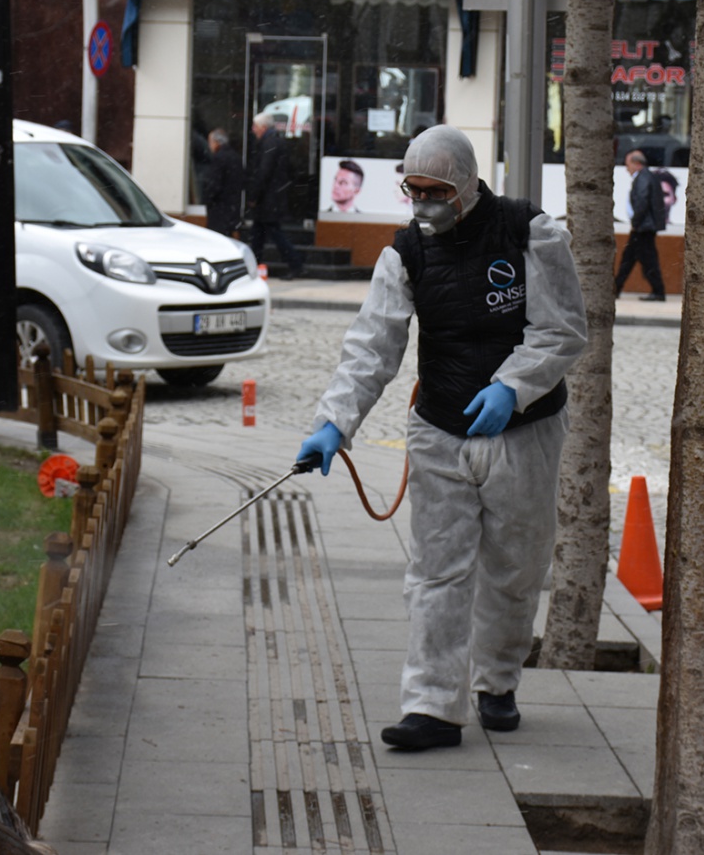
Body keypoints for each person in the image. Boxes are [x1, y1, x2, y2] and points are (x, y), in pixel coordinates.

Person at [296, 125, 586, 752]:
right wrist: (334, 423)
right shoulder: (406, 254)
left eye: (434, 190)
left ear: (465, 184)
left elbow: (563, 330)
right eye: (413, 189)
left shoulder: (530, 232)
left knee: (516, 567)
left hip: (526, 432)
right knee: (436, 571)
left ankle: (498, 681)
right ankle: (431, 704)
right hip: (438, 430)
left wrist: (514, 386)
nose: (422, 201)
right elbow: (372, 345)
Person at [247, 113, 306, 279]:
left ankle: (296, 265)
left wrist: (254, 195)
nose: (253, 130)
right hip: (269, 199)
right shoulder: (274, 141)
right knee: (258, 236)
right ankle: (253, 267)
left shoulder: (269, 143)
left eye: (255, 127)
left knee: (273, 235)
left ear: (263, 127)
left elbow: (264, 172)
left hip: (268, 200)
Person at [613, 150, 667, 301]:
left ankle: (658, 291)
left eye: (628, 164)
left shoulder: (643, 178)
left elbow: (642, 201)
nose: (626, 168)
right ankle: (616, 288)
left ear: (637, 164)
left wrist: (635, 222)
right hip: (644, 226)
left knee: (645, 260)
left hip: (643, 227)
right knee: (630, 258)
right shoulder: (647, 176)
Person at [201, 128, 245, 237]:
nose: (209, 145)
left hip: (219, 210)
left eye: (210, 142)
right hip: (231, 208)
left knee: (217, 239)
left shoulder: (219, 158)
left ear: (216, 143)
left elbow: (214, 185)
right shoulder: (235, 157)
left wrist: (207, 198)